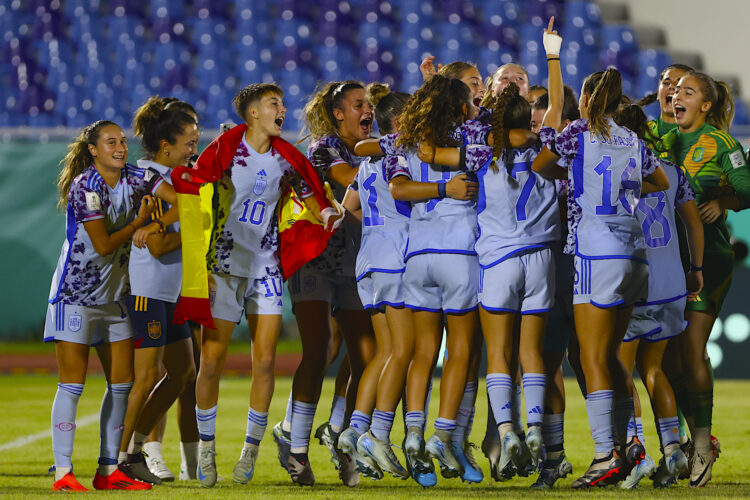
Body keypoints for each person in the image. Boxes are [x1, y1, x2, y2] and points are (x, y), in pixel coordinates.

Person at [183, 83, 337, 488]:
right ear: (253, 114)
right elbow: (195, 194)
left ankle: (250, 449)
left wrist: (327, 214)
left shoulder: (288, 159)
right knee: (211, 361)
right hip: (223, 266)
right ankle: (207, 449)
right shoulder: (224, 151)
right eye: (274, 104)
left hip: (265, 267)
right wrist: (198, 271)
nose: (282, 110)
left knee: (265, 362)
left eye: (282, 104)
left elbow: (312, 194)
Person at [532, 68, 670, 488]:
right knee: (613, 356)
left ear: (589, 99)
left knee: (591, 358)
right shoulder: (632, 138)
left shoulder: (577, 133)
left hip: (596, 249)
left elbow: (541, 165)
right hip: (634, 250)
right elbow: (660, 180)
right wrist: (623, 191)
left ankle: (602, 455)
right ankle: (629, 446)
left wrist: (577, 180)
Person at [45, 119, 178, 491]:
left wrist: (153, 226)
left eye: (122, 141)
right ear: (93, 149)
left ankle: (108, 471)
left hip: (115, 298)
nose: (120, 147)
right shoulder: (86, 185)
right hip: (75, 295)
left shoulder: (136, 177)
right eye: (110, 142)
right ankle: (63, 472)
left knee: (123, 383)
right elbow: (103, 246)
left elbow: (182, 202)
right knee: (72, 385)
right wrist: (139, 220)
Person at [383, 75, 480, 484]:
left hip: (417, 255)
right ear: (461, 108)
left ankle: (412, 434)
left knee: (423, 352)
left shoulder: (405, 141)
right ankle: (442, 435)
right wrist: (448, 187)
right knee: (458, 351)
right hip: (459, 252)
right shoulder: (473, 139)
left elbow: (398, 189)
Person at [282, 80, 376, 487]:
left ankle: (343, 439)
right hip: (315, 260)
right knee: (318, 350)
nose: (367, 111)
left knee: (366, 358)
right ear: (339, 113)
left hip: (356, 263)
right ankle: (298, 450)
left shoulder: (372, 146)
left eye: (369, 104)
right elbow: (350, 178)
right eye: (358, 105)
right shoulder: (324, 147)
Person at [661, 70, 750, 487]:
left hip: (707, 260)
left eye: (687, 92)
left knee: (692, 351)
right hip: (663, 261)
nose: (677, 97)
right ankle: (685, 437)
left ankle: (700, 443)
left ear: (707, 105)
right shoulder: (662, 139)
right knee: (668, 359)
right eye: (675, 91)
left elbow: (748, 190)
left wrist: (722, 200)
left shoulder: (724, 143)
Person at [615, 102, 704, 489]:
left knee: (621, 368)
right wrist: (696, 269)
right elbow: (693, 225)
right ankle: (672, 450)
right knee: (654, 370)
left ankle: (638, 449)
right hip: (672, 285)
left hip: (635, 283)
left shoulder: (611, 168)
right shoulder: (672, 170)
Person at [116, 97, 199, 485]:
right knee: (147, 376)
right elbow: (163, 238)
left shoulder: (177, 178)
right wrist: (184, 218)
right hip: (149, 289)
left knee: (183, 372)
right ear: (166, 146)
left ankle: (132, 450)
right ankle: (122, 458)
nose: (193, 151)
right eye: (188, 144)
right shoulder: (146, 173)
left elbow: (184, 217)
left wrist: (170, 224)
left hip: (174, 289)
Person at [639, 64, 694, 138]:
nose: (671, 86)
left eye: (679, 83)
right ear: (658, 92)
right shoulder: (640, 133)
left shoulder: (704, 138)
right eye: (666, 83)